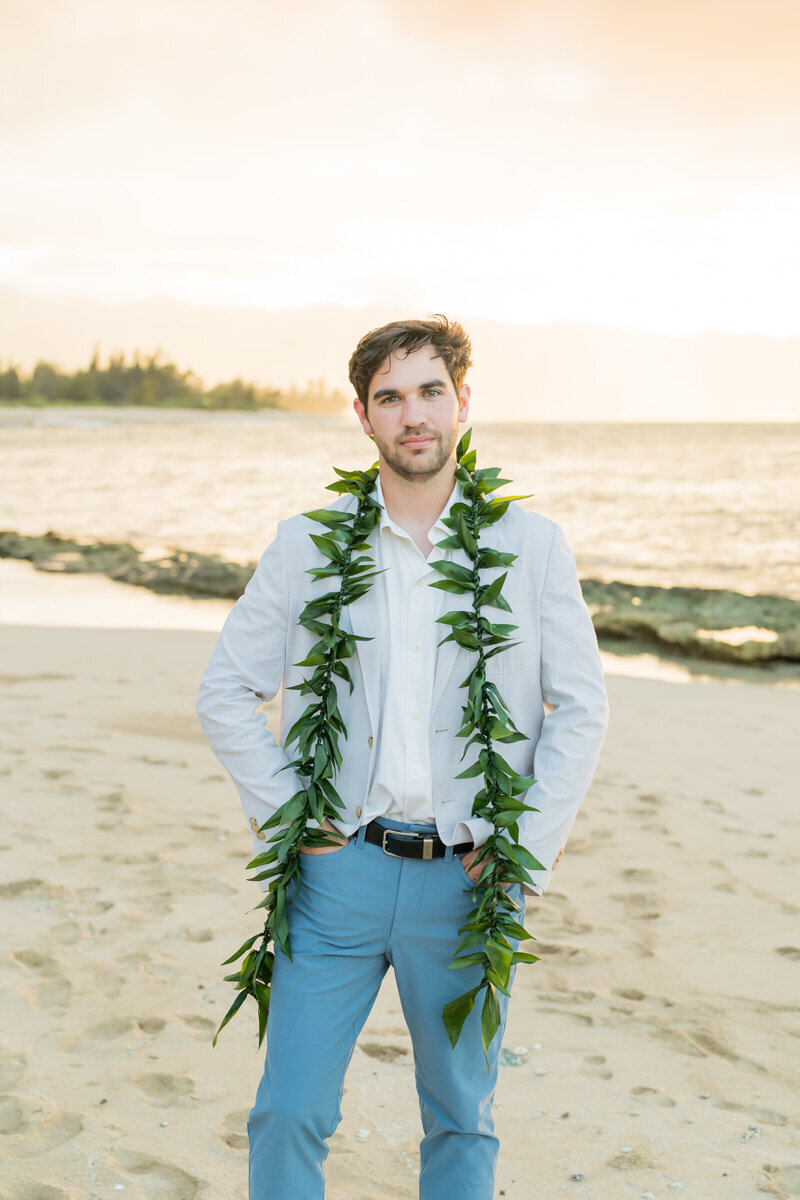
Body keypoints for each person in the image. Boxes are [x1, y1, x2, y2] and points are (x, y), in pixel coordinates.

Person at [195, 315, 609, 1200]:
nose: (412, 414)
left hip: (469, 881)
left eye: (430, 392)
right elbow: (225, 691)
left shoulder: (531, 549)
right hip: (337, 872)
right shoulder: (308, 545)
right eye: (391, 397)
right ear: (363, 415)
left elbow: (579, 708)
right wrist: (288, 813)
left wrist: (525, 849)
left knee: (461, 1120)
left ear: (463, 401)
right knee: (287, 1112)